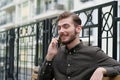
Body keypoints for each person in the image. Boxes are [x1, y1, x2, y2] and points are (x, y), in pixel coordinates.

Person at [37, 11, 120, 80]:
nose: (61, 31)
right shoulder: (56, 53)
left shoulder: (93, 53)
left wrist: (102, 70)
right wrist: (49, 56)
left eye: (66, 26)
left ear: (78, 29)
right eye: (59, 28)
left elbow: (118, 67)